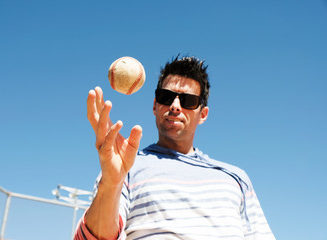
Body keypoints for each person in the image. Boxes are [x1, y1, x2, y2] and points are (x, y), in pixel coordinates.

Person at [74, 56, 275, 240]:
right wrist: (110, 183)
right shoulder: (126, 168)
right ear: (155, 106)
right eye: (166, 97)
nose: (175, 106)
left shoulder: (235, 178)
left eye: (188, 101)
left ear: (203, 114)